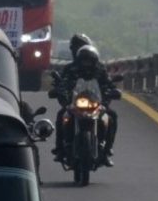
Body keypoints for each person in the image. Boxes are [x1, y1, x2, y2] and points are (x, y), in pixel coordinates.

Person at [51, 37, 119, 166]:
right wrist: (59, 92)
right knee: (61, 115)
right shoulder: (70, 69)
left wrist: (112, 92)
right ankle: (60, 148)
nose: (86, 63)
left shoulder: (100, 70)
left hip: (96, 103)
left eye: (89, 60)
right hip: (75, 103)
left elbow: (108, 84)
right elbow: (63, 84)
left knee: (112, 116)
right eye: (84, 60)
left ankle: (107, 150)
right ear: (79, 59)